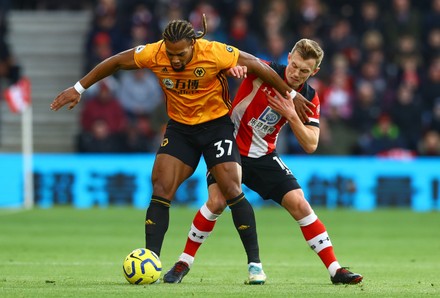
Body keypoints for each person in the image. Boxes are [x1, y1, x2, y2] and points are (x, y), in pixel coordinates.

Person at [50, 15, 313, 282]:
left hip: (216, 128)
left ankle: (254, 265)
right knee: (161, 188)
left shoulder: (214, 52)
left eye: (180, 54)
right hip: (180, 130)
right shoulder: (155, 53)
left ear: (193, 44)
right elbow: (117, 60)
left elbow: (257, 65)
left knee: (232, 191)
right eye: (171, 53)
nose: (174, 60)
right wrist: (79, 88)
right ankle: (151, 261)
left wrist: (291, 94)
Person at [163, 39, 363, 285]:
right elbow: (223, 63)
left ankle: (335, 270)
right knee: (216, 202)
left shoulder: (309, 97)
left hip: (263, 155)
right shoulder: (262, 71)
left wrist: (291, 115)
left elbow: (311, 144)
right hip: (228, 148)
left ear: (315, 72)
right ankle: (184, 262)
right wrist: (232, 69)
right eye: (295, 66)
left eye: (304, 71)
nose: (296, 73)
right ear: (289, 57)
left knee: (300, 203)